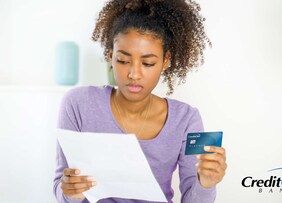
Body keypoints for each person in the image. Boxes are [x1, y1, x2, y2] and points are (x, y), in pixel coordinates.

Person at [53, 0, 227, 202]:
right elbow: (61, 189)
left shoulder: (187, 119)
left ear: (166, 61)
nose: (134, 74)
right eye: (123, 61)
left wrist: (206, 183)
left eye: (148, 63)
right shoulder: (78, 104)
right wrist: (71, 191)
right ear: (111, 56)